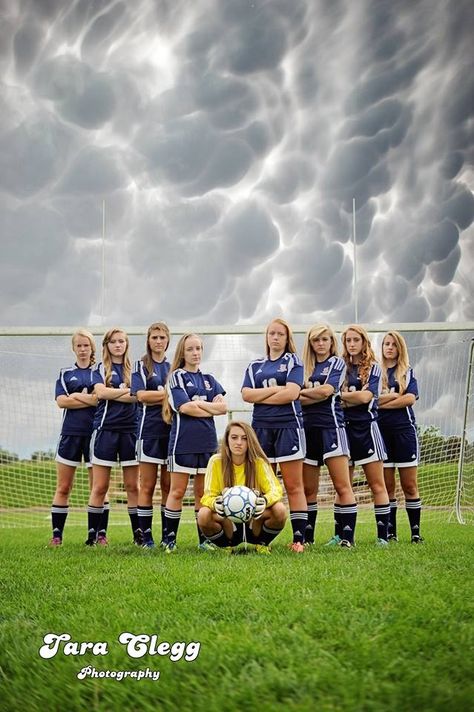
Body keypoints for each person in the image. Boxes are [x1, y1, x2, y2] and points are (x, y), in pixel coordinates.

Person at [241, 318, 307, 553]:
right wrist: (275, 390)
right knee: (259, 486)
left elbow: (291, 393)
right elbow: (247, 395)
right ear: (266, 337)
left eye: (280, 334)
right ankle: (257, 537)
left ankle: (300, 539)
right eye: (272, 333)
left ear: (287, 338)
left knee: (293, 485)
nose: (276, 337)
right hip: (260, 429)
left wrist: (264, 395)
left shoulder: (293, 361)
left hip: (288, 427)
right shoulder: (254, 366)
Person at [162, 333, 227, 552]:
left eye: (198, 348)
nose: (195, 352)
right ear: (183, 352)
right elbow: (184, 407)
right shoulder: (176, 377)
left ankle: (204, 540)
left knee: (203, 493)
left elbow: (223, 407)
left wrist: (199, 405)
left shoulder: (209, 379)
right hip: (183, 443)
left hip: (207, 444)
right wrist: (209, 406)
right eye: (190, 349)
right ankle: (168, 539)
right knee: (177, 491)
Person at [300, 324, 357, 548]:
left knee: (342, 486)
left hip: (332, 428)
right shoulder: (302, 367)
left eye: (324, 339)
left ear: (332, 342)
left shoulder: (337, 363)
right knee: (308, 490)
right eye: (316, 340)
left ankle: (347, 538)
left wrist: (302, 393)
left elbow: (327, 391)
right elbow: (296, 396)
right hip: (307, 430)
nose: (321, 343)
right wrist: (308, 394)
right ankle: (308, 538)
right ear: (311, 343)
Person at [198, 421, 287, 553]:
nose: (239, 442)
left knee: (280, 509)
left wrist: (265, 501)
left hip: (254, 520)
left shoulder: (259, 462)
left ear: (250, 441)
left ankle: (262, 543)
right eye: (234, 437)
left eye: (244, 438)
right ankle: (225, 546)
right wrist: (215, 504)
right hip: (228, 521)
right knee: (203, 514)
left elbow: (276, 490)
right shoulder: (216, 461)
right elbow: (207, 495)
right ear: (227, 440)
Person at [86, 328, 139, 546]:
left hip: (131, 431)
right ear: (106, 345)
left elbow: (138, 397)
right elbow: (101, 393)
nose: (118, 345)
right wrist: (124, 392)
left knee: (132, 486)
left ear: (126, 344)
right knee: (99, 487)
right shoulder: (100, 367)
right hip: (105, 430)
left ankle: (139, 534)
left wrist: (113, 392)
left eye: (122, 341)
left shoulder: (135, 369)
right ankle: (93, 536)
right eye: (113, 342)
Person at [340, 325, 390, 545]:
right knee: (343, 485)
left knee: (376, 485)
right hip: (344, 430)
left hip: (367, 429)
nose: (351, 344)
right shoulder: (339, 367)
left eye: (355, 340)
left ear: (364, 342)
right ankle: (340, 535)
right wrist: (350, 396)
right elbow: (336, 398)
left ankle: (382, 537)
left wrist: (344, 396)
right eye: (348, 340)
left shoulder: (374, 368)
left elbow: (365, 398)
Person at [50, 329, 99, 546]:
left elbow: (101, 400)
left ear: (92, 348)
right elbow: (61, 401)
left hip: (95, 435)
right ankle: (57, 536)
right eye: (78, 346)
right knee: (63, 487)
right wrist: (88, 398)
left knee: (97, 487)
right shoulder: (64, 373)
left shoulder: (99, 372)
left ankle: (98, 535)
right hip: (70, 434)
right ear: (73, 348)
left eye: (86, 345)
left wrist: (77, 396)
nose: (82, 349)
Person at [379, 331, 423, 543]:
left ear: (400, 348)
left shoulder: (407, 371)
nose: (389, 347)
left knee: (409, 485)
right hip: (381, 432)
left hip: (404, 432)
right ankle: (391, 533)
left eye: (393, 345)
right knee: (387, 487)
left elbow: (410, 399)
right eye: (386, 344)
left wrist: (386, 400)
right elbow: (372, 401)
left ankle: (415, 533)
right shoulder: (375, 373)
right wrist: (395, 396)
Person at [131, 322, 171, 549]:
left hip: (171, 431)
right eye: (154, 337)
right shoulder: (140, 366)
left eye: (162, 337)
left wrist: (161, 394)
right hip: (148, 431)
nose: (158, 341)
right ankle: (146, 538)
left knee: (167, 485)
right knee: (146, 486)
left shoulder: (174, 367)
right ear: (148, 340)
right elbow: (141, 395)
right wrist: (166, 395)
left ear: (168, 341)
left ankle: (167, 536)